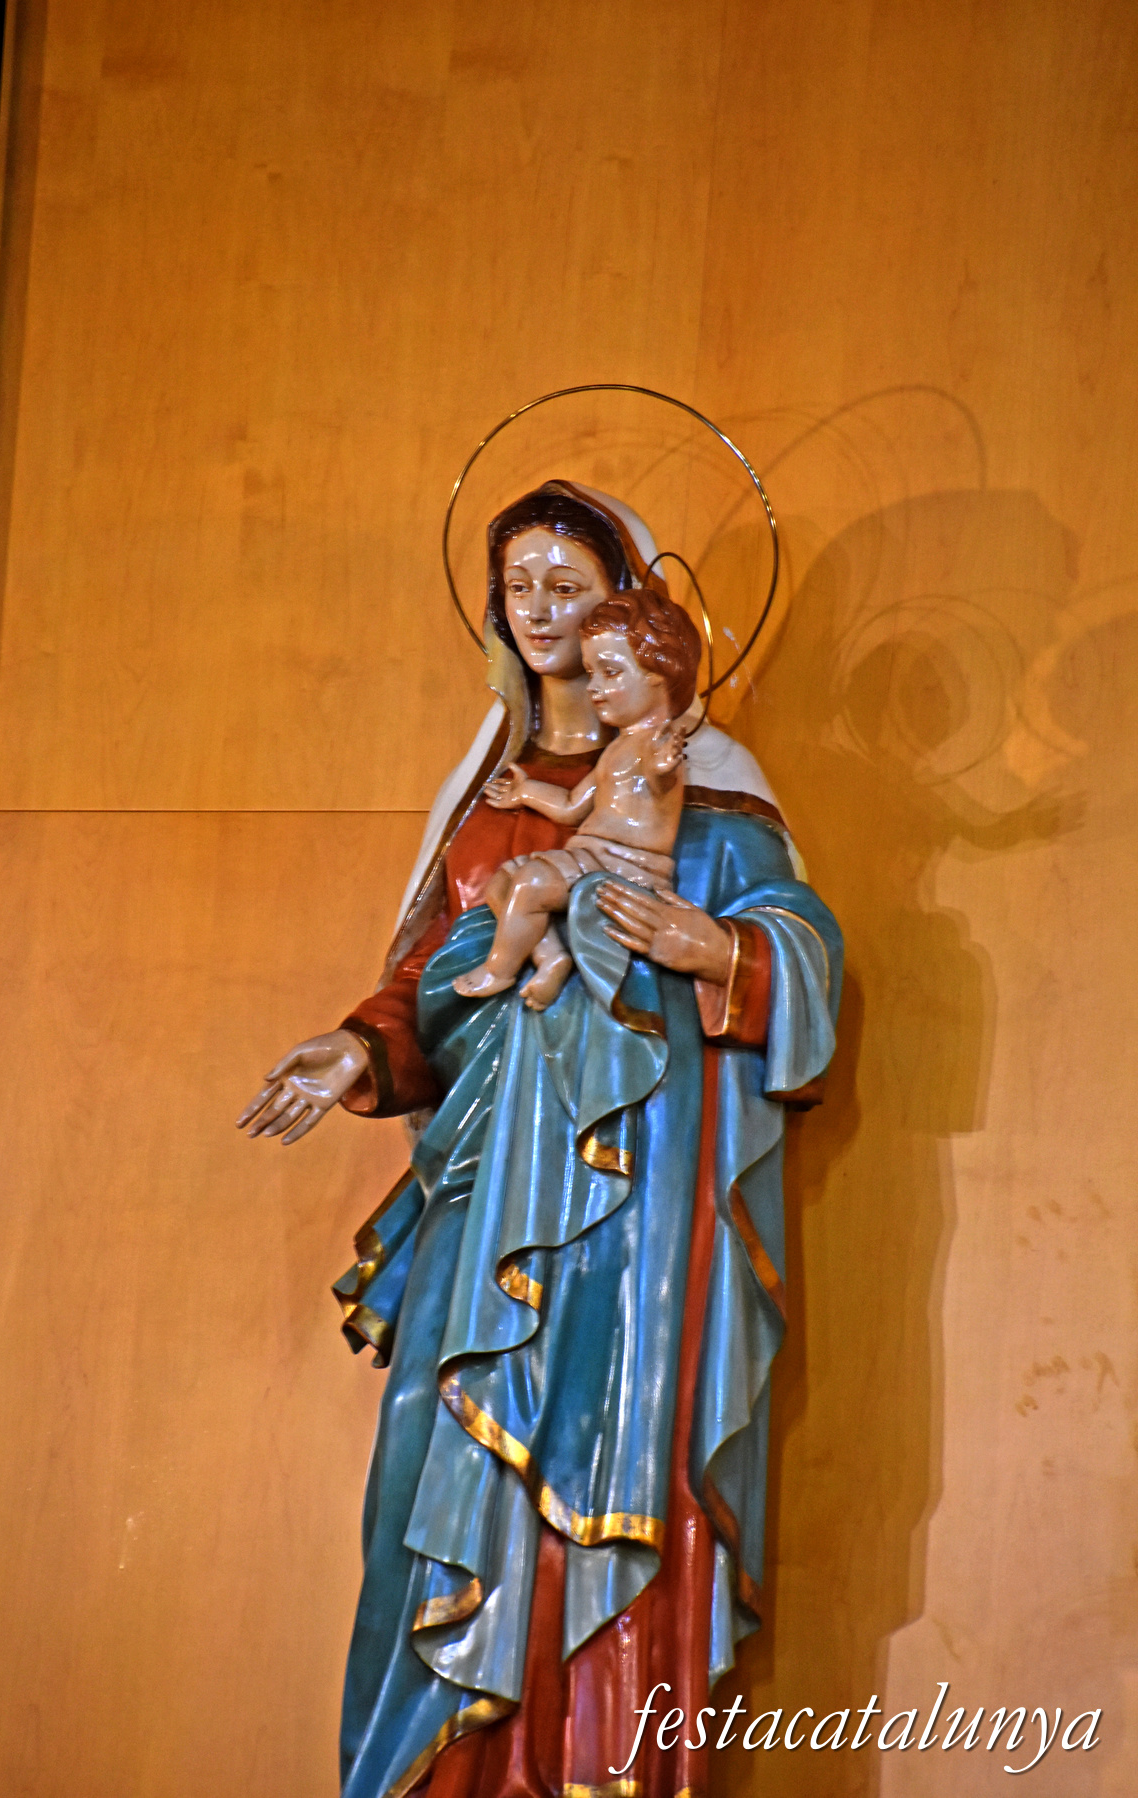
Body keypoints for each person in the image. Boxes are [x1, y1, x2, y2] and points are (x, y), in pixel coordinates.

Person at [237, 481, 842, 1798]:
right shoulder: (486, 795)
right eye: (522, 586)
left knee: (607, 1462)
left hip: (634, 1193)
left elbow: (800, 950)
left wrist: (717, 945)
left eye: (574, 582)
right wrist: (359, 1047)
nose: (546, 609)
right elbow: (427, 982)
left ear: (631, 604)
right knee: (429, 1471)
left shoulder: (706, 779)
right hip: (479, 1181)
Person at [452, 586, 698, 1009]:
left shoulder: (659, 745)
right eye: (590, 672)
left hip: (626, 866)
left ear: (658, 672)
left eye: (611, 672)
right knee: (502, 882)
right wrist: (525, 791)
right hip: (590, 856)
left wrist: (663, 765)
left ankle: (500, 969)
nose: (594, 688)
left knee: (530, 884)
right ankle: (551, 959)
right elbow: (572, 806)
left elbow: (661, 782)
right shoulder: (617, 749)